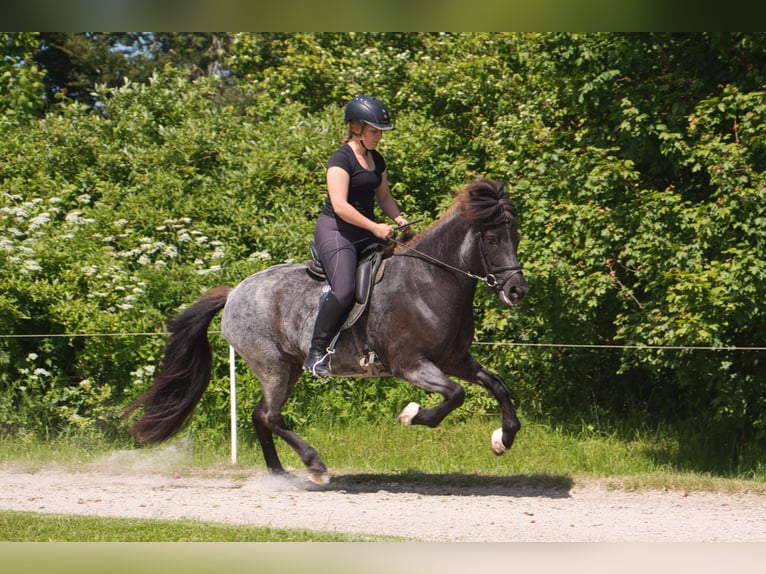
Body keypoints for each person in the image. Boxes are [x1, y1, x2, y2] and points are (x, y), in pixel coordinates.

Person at [304, 95, 408, 377]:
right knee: (345, 290)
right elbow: (340, 206)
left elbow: (384, 197)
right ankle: (316, 352)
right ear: (356, 127)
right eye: (375, 131)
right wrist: (375, 227)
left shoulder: (377, 159)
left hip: (365, 230)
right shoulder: (340, 159)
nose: (379, 137)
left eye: (380, 132)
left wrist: (397, 217)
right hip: (337, 231)